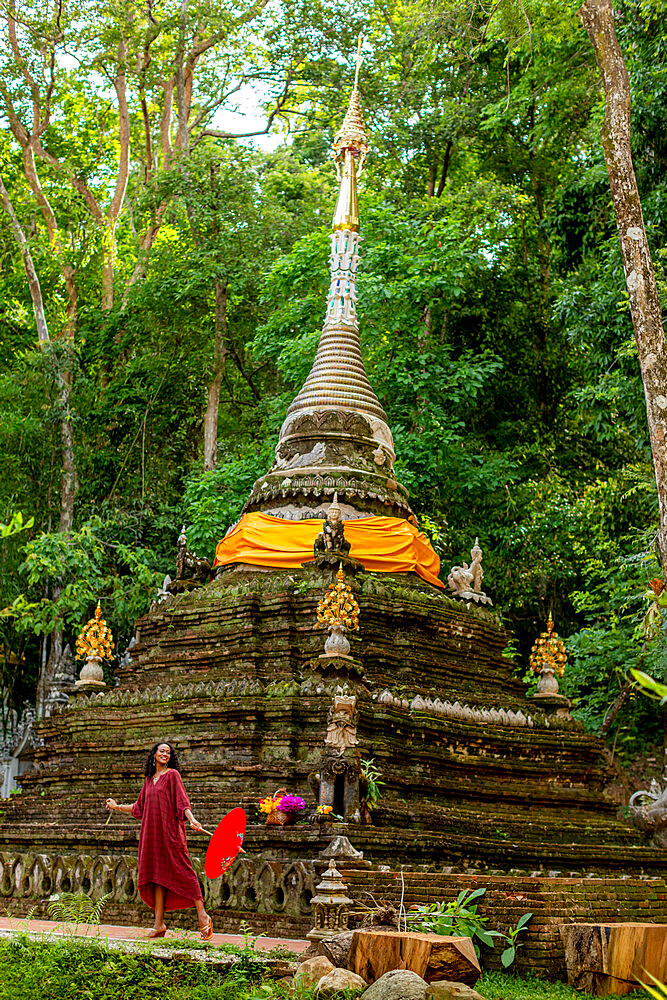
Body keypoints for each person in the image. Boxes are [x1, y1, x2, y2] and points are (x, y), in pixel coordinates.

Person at [106, 741, 213, 939]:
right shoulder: (148, 780)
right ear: (154, 754)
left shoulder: (173, 775)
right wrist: (117, 806)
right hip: (151, 836)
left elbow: (182, 802)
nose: (165, 754)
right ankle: (159, 924)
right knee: (156, 878)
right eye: (161, 751)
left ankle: (203, 916)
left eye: (168, 752)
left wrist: (192, 819)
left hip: (171, 834)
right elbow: (139, 807)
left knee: (185, 871)